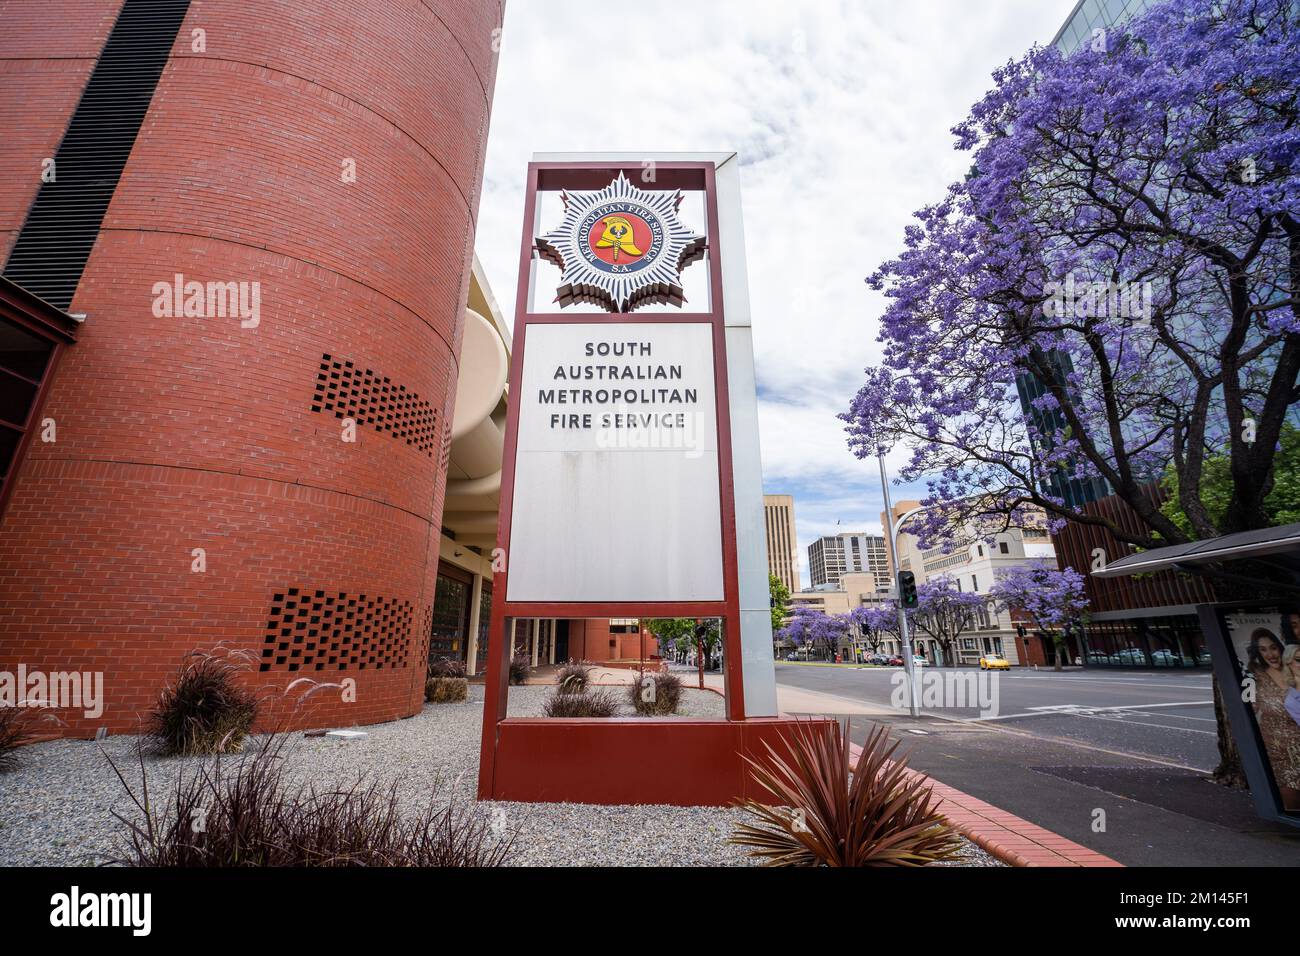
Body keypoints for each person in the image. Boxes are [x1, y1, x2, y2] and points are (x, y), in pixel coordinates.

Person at [1247, 628, 1300, 811]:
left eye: (1273, 647)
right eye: (1263, 649)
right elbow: (1245, 711)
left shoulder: (1294, 668)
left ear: (1280, 647)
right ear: (1258, 653)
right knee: (1292, 803)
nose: (1270, 654)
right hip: (1279, 752)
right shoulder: (1253, 677)